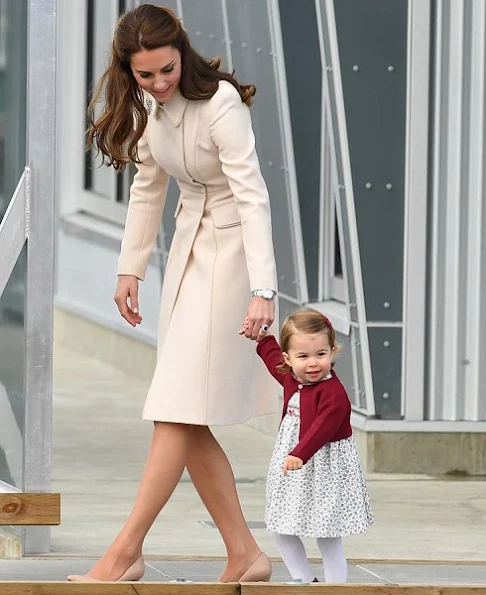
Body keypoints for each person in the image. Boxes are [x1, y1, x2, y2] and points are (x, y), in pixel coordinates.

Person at [68, 4, 278, 583]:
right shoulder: (146, 108)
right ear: (128, 71)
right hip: (188, 257)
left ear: (181, 53)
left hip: (234, 262)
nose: (159, 83)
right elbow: (147, 185)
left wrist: (263, 288)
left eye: (166, 69)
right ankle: (245, 554)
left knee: (174, 409)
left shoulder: (221, 105)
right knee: (186, 412)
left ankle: (124, 551)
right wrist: (128, 270)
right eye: (145, 75)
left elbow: (253, 195)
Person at [251, 308, 373, 583]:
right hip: (295, 466)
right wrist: (262, 340)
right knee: (280, 524)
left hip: (326, 467)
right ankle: (304, 580)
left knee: (327, 532)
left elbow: (323, 428)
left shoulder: (333, 392)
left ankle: (335, 588)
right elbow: (272, 361)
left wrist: (299, 453)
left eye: (321, 354)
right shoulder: (292, 377)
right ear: (289, 359)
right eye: (303, 356)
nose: (313, 363)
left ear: (332, 351)